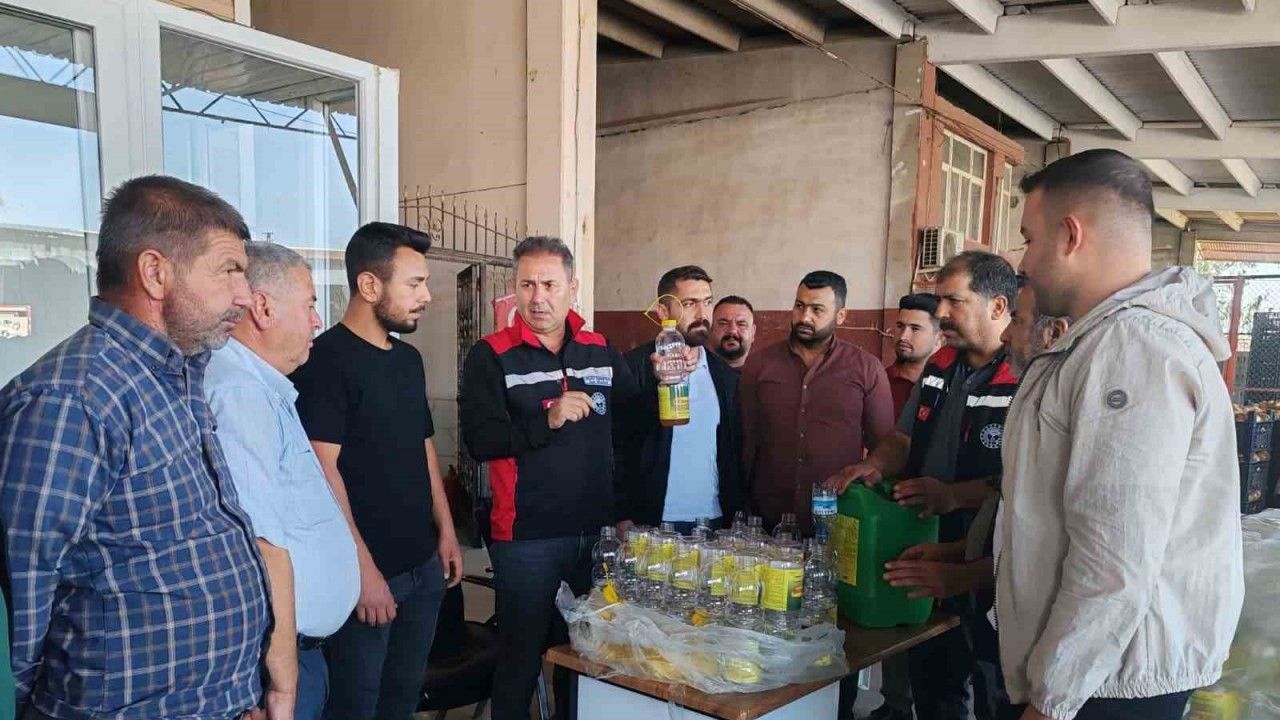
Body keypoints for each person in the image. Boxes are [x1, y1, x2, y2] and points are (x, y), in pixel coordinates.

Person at [0, 175, 270, 719]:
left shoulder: (174, 376)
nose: (245, 295)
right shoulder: (73, 397)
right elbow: (21, 596)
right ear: (155, 273)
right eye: (228, 271)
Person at [1000, 149, 1243, 720]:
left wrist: (1052, 702)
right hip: (1091, 671)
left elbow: (1113, 557)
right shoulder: (1102, 343)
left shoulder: (1133, 348)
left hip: (1103, 684)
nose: (1024, 261)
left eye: (1029, 239)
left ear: (1070, 235)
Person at [833, 251, 1018, 720]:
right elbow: (902, 438)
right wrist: (874, 465)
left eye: (954, 301)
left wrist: (954, 496)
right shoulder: (940, 366)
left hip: (994, 557)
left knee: (995, 687)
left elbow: (1025, 480)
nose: (941, 313)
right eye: (939, 301)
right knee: (932, 680)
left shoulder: (1025, 375)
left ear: (998, 306)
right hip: (923, 541)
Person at [290, 222, 462, 720]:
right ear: (369, 285)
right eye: (415, 283)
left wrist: (446, 530)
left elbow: (423, 446)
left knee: (402, 701)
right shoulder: (325, 362)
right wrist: (362, 573)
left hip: (422, 568)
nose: (426, 296)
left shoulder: (407, 360)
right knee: (356, 708)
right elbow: (324, 471)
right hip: (367, 579)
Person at [460, 236, 637, 720]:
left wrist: (623, 513)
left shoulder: (600, 349)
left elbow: (631, 428)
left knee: (585, 656)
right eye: (527, 285)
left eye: (549, 285)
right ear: (515, 288)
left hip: (596, 533)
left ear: (572, 288)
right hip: (526, 537)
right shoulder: (491, 354)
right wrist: (547, 420)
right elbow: (481, 441)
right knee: (520, 657)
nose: (537, 297)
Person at [205, 243, 360, 720]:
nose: (317, 320)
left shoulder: (262, 386)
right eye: (310, 303)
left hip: (296, 653)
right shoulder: (239, 393)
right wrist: (283, 686)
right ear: (264, 308)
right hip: (276, 664)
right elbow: (261, 544)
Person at [740, 270, 895, 534]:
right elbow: (744, 441)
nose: (804, 317)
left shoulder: (866, 368)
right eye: (799, 306)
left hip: (838, 519)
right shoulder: (759, 365)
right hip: (766, 521)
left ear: (841, 315)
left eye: (817, 309)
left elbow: (884, 447)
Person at [614, 266, 743, 535]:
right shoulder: (634, 367)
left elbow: (733, 450)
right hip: (652, 520)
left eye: (707, 302)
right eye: (689, 303)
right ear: (663, 312)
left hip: (712, 520)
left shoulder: (724, 376)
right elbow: (618, 443)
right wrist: (622, 514)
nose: (702, 314)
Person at [887, 293, 944, 416]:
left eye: (915, 329)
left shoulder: (950, 386)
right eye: (900, 326)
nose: (903, 336)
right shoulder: (879, 381)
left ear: (939, 338)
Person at [709, 295, 757, 370]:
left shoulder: (769, 373)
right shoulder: (693, 372)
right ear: (710, 329)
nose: (732, 330)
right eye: (723, 324)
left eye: (741, 324)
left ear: (753, 332)